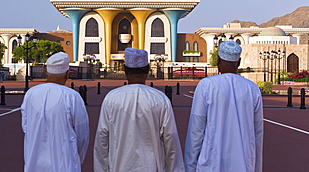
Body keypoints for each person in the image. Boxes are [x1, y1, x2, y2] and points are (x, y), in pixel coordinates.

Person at [94, 48, 185, 172]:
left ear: (125, 70)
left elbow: (102, 141)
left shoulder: (111, 98)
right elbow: (170, 141)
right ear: (147, 70)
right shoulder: (160, 99)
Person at [184, 41, 263, 172]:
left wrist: (190, 166)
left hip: (212, 162)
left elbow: (196, 130)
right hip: (243, 162)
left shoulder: (207, 85)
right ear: (239, 62)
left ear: (218, 61)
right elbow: (258, 133)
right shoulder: (252, 88)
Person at [21, 52, 89, 172]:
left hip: (34, 161)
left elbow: (26, 126)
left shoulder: (31, 93)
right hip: (64, 163)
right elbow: (82, 133)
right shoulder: (72, 96)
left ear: (46, 71)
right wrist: (77, 156)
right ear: (67, 74)